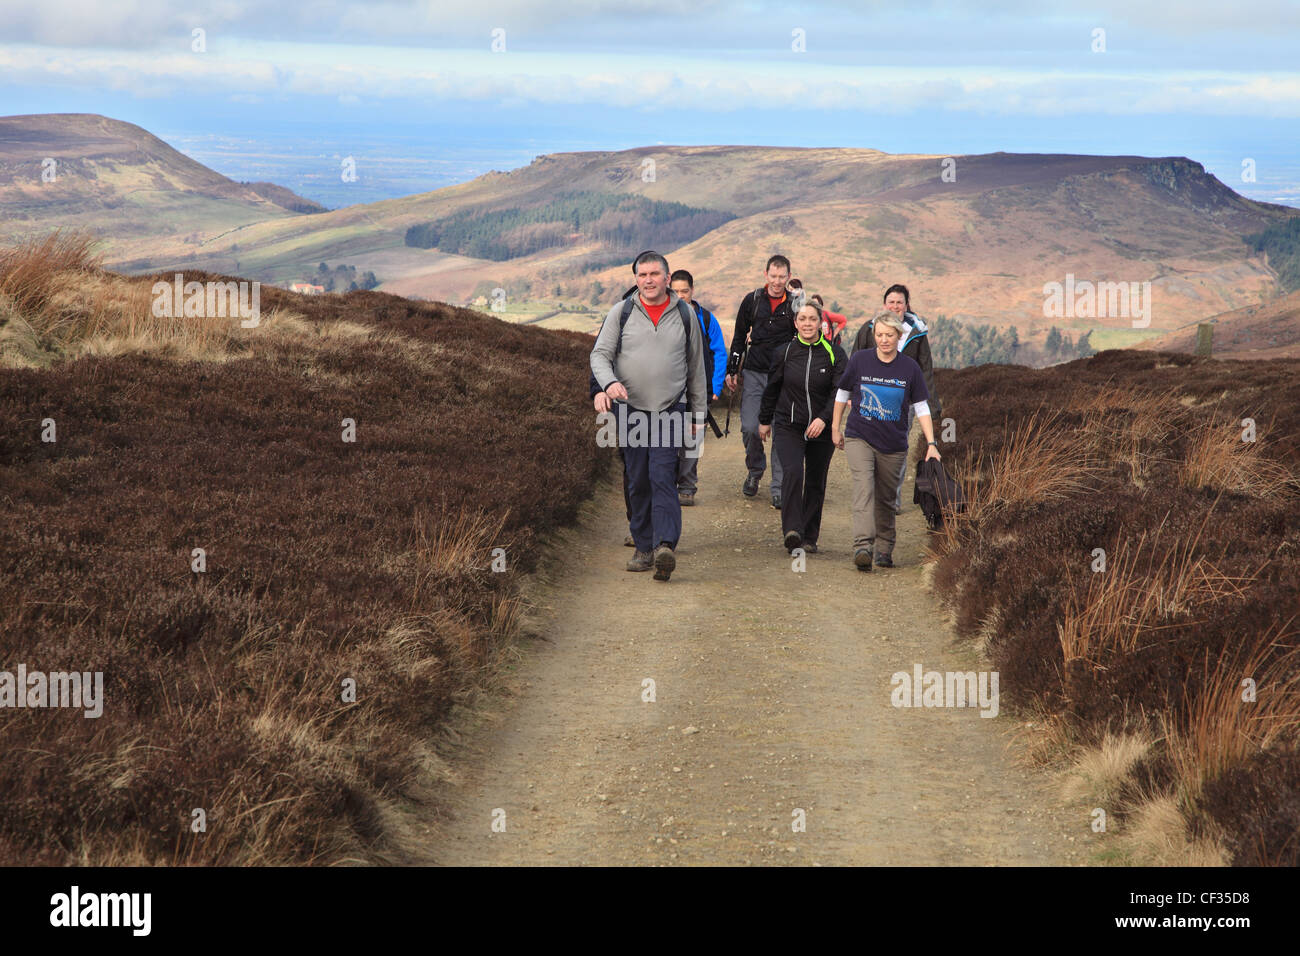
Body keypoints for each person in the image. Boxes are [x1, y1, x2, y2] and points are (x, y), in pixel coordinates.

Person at [591, 251, 708, 582]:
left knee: (662, 475)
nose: (648, 280)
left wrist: (698, 413)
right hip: (630, 410)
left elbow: (696, 367)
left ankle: (664, 545)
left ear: (667, 278)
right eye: (642, 275)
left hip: (671, 407)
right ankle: (642, 547)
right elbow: (599, 354)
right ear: (636, 279)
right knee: (638, 478)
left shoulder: (685, 314)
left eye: (655, 274)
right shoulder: (622, 312)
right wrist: (609, 383)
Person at [833, 310, 941, 571]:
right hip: (860, 436)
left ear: (898, 336)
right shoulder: (860, 360)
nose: (883, 340)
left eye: (889, 335)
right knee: (864, 488)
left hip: (893, 445)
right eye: (879, 335)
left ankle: (884, 547)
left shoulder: (909, 368)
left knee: (886, 497)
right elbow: (842, 391)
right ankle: (862, 546)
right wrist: (836, 427)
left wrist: (932, 444)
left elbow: (922, 407)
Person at [758, 302, 845, 554]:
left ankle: (809, 537)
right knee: (793, 472)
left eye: (812, 319)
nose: (807, 323)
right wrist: (764, 420)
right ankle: (793, 531)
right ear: (795, 323)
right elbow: (772, 388)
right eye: (802, 319)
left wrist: (824, 419)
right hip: (789, 425)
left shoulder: (835, 354)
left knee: (816, 482)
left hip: (823, 428)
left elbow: (839, 392)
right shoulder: (783, 352)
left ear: (821, 323)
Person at [851, 284, 941, 512]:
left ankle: (891, 496)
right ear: (884, 305)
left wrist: (932, 404)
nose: (895, 306)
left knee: (897, 445)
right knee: (869, 444)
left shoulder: (917, 334)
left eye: (899, 302)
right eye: (891, 302)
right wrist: (852, 393)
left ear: (906, 305)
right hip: (871, 399)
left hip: (905, 402)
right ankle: (870, 491)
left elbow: (925, 369)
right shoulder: (868, 330)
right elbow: (854, 362)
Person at [724, 255, 797, 510]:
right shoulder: (752, 300)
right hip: (754, 372)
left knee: (780, 430)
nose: (777, 281)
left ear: (788, 276)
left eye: (782, 276)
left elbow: (804, 338)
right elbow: (739, 336)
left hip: (784, 376)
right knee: (749, 427)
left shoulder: (795, 305)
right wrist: (732, 369)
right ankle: (755, 470)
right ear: (766, 274)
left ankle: (778, 487)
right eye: (773, 276)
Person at [669, 269, 727, 507]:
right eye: (676, 291)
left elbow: (719, 352)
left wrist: (715, 386)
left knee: (692, 439)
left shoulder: (706, 319)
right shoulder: (665, 317)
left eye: (685, 291)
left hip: (699, 389)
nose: (681, 296)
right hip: (670, 391)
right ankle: (667, 484)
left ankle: (687, 487)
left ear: (692, 291)